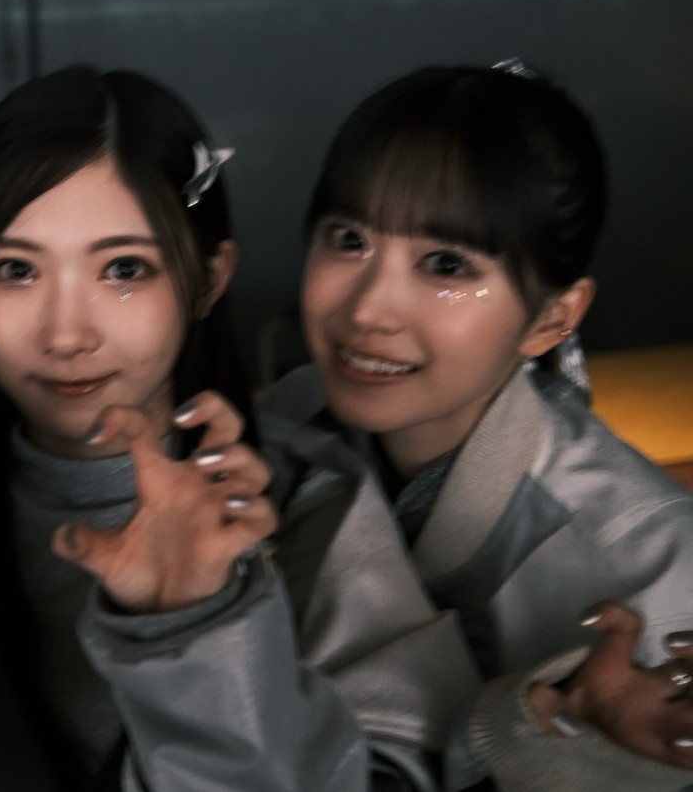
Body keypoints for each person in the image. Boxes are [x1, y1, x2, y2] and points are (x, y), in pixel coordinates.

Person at [0, 64, 470, 792]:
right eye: (15, 270)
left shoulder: (310, 501)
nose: (65, 334)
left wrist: (200, 622)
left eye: (124, 269)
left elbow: (403, 768)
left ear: (209, 278)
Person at [258, 63, 693, 791]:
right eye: (349, 238)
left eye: (445, 263)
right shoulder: (287, 419)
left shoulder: (652, 567)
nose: (367, 310)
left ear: (552, 317)